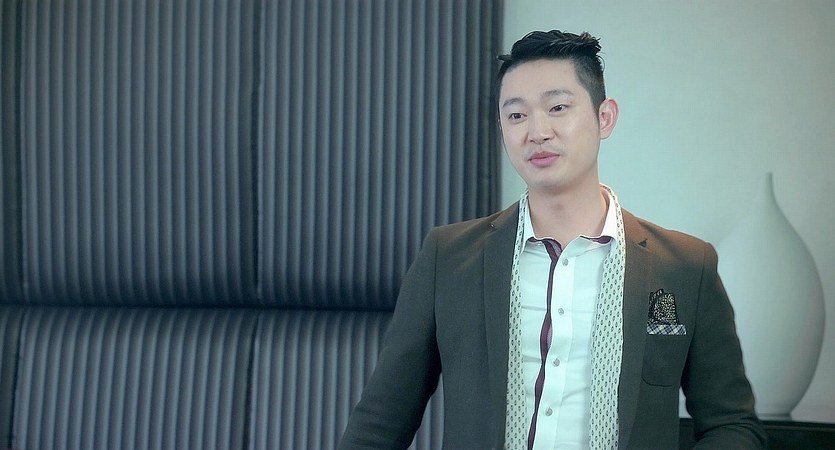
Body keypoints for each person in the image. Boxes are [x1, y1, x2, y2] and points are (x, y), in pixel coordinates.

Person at [339, 30, 765, 449]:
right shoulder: (448, 258)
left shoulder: (685, 266)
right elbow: (380, 423)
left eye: (558, 107)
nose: (537, 131)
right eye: (516, 115)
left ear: (604, 118)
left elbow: (733, 426)